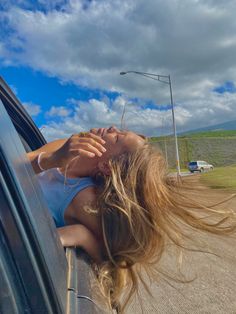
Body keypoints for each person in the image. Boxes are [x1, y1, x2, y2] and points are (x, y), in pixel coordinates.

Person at [27, 126, 236, 312]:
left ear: (107, 166)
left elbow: (114, 258)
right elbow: (10, 165)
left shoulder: (83, 199)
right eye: (118, 130)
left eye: (117, 137)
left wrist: (83, 236)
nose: (112, 127)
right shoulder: (66, 146)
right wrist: (53, 158)